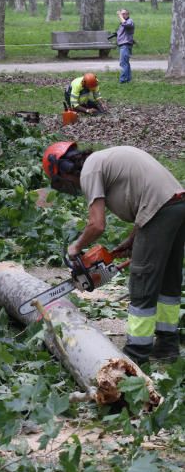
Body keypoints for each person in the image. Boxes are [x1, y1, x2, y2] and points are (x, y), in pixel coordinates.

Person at [42, 141, 185, 364]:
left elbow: (97, 225)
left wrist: (76, 247)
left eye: (62, 181)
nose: (68, 185)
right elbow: (147, 191)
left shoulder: (91, 169)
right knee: (168, 280)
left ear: (65, 169)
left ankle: (137, 353)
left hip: (158, 210)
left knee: (142, 280)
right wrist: (133, 237)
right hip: (176, 205)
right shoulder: (103, 161)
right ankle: (167, 346)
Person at [116, 9, 135, 83]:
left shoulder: (129, 21)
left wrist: (120, 16)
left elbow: (127, 24)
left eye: (124, 14)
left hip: (125, 45)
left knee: (123, 63)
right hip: (123, 45)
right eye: (121, 14)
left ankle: (123, 80)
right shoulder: (123, 22)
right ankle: (128, 79)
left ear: (128, 14)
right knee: (125, 63)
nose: (122, 15)